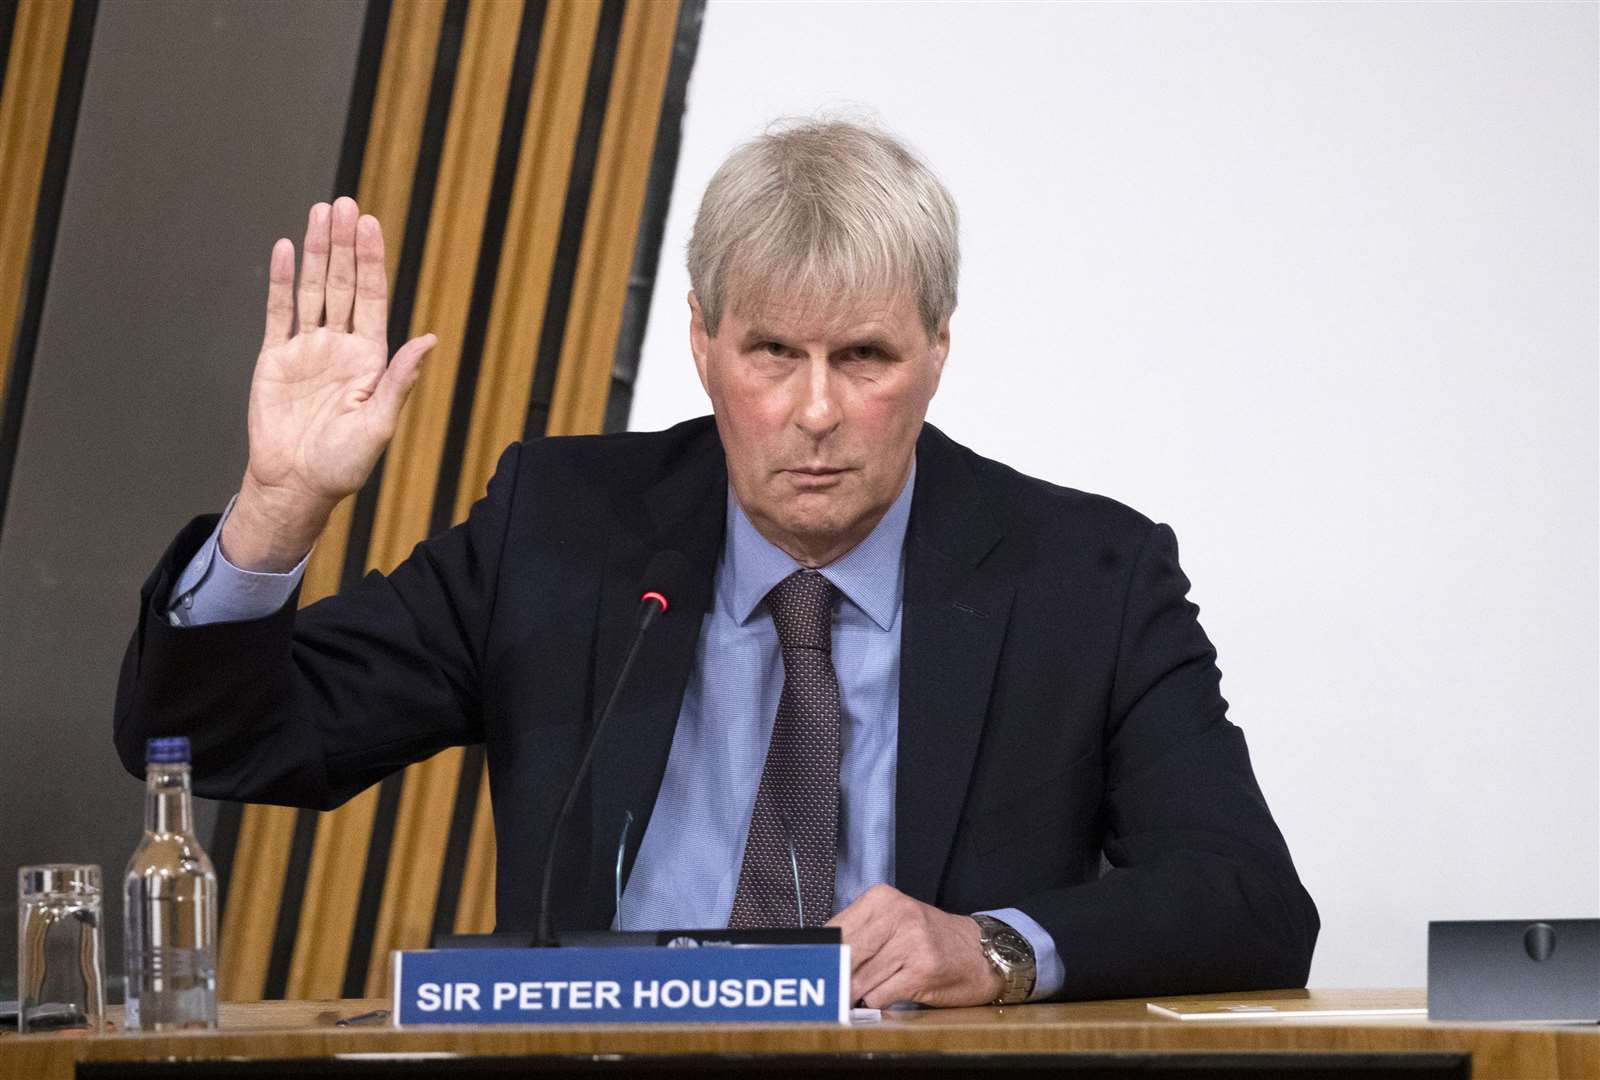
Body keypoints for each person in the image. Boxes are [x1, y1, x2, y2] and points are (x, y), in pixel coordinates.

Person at [115, 120, 1318, 1008]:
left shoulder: (1084, 576)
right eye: (770, 351)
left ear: (940, 350)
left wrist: (992, 949)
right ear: (699, 341)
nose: (812, 411)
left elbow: (1249, 903)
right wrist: (277, 509)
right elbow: (213, 745)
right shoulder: (561, 530)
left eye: (863, 356)